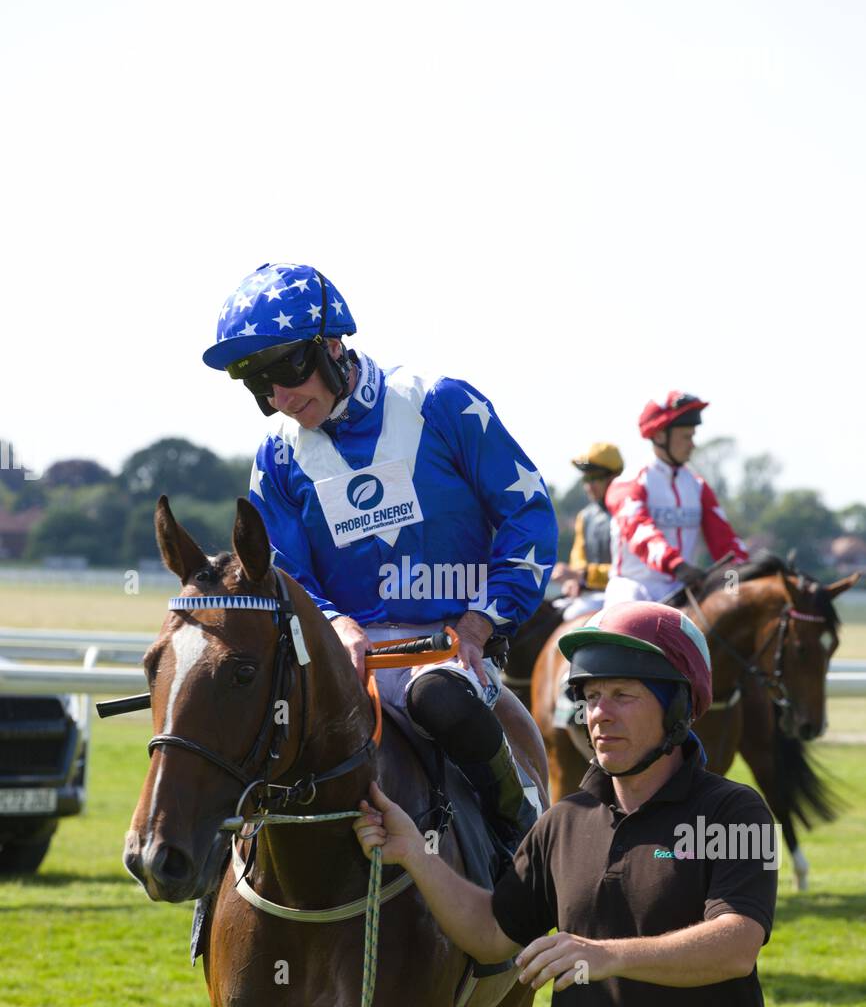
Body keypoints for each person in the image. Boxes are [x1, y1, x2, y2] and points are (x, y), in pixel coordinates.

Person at [352, 602, 777, 1007]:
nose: (598, 714)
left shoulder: (736, 813)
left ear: (680, 707)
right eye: (591, 695)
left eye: (623, 696)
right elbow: (491, 930)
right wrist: (415, 854)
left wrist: (606, 954)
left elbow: (737, 944)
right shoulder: (562, 822)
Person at [202, 261, 558, 847]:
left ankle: (525, 844)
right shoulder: (277, 456)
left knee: (441, 698)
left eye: (285, 374)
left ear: (332, 346)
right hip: (337, 658)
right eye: (260, 386)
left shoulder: (441, 404)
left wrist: (480, 619)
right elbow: (280, 568)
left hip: (445, 650)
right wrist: (337, 624)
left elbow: (528, 513)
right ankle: (214, 882)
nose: (280, 399)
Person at [603, 392, 748, 605]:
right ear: (660, 436)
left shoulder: (698, 486)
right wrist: (677, 565)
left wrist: (736, 586)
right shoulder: (628, 483)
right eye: (686, 437)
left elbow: (725, 544)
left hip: (682, 588)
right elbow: (639, 531)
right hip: (634, 588)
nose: (693, 444)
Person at [553, 442, 623, 620]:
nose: (589, 486)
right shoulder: (584, 517)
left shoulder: (628, 514)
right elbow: (578, 561)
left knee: (571, 616)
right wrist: (572, 579)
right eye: (586, 478)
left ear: (615, 477)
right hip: (589, 596)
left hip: (623, 595)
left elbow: (628, 570)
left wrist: (581, 575)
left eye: (596, 478)